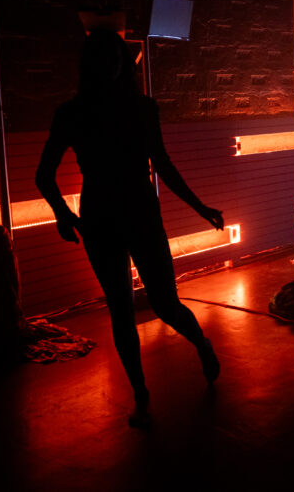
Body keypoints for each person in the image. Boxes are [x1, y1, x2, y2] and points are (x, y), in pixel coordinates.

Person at [36, 29, 224, 428]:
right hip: (131, 212)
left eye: (113, 58)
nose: (109, 65)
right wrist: (199, 206)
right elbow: (162, 167)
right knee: (141, 307)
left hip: (103, 216)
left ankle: (166, 375)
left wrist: (63, 215)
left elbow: (44, 176)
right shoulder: (137, 108)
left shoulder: (77, 112)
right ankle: (146, 390)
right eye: (105, 58)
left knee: (145, 306)